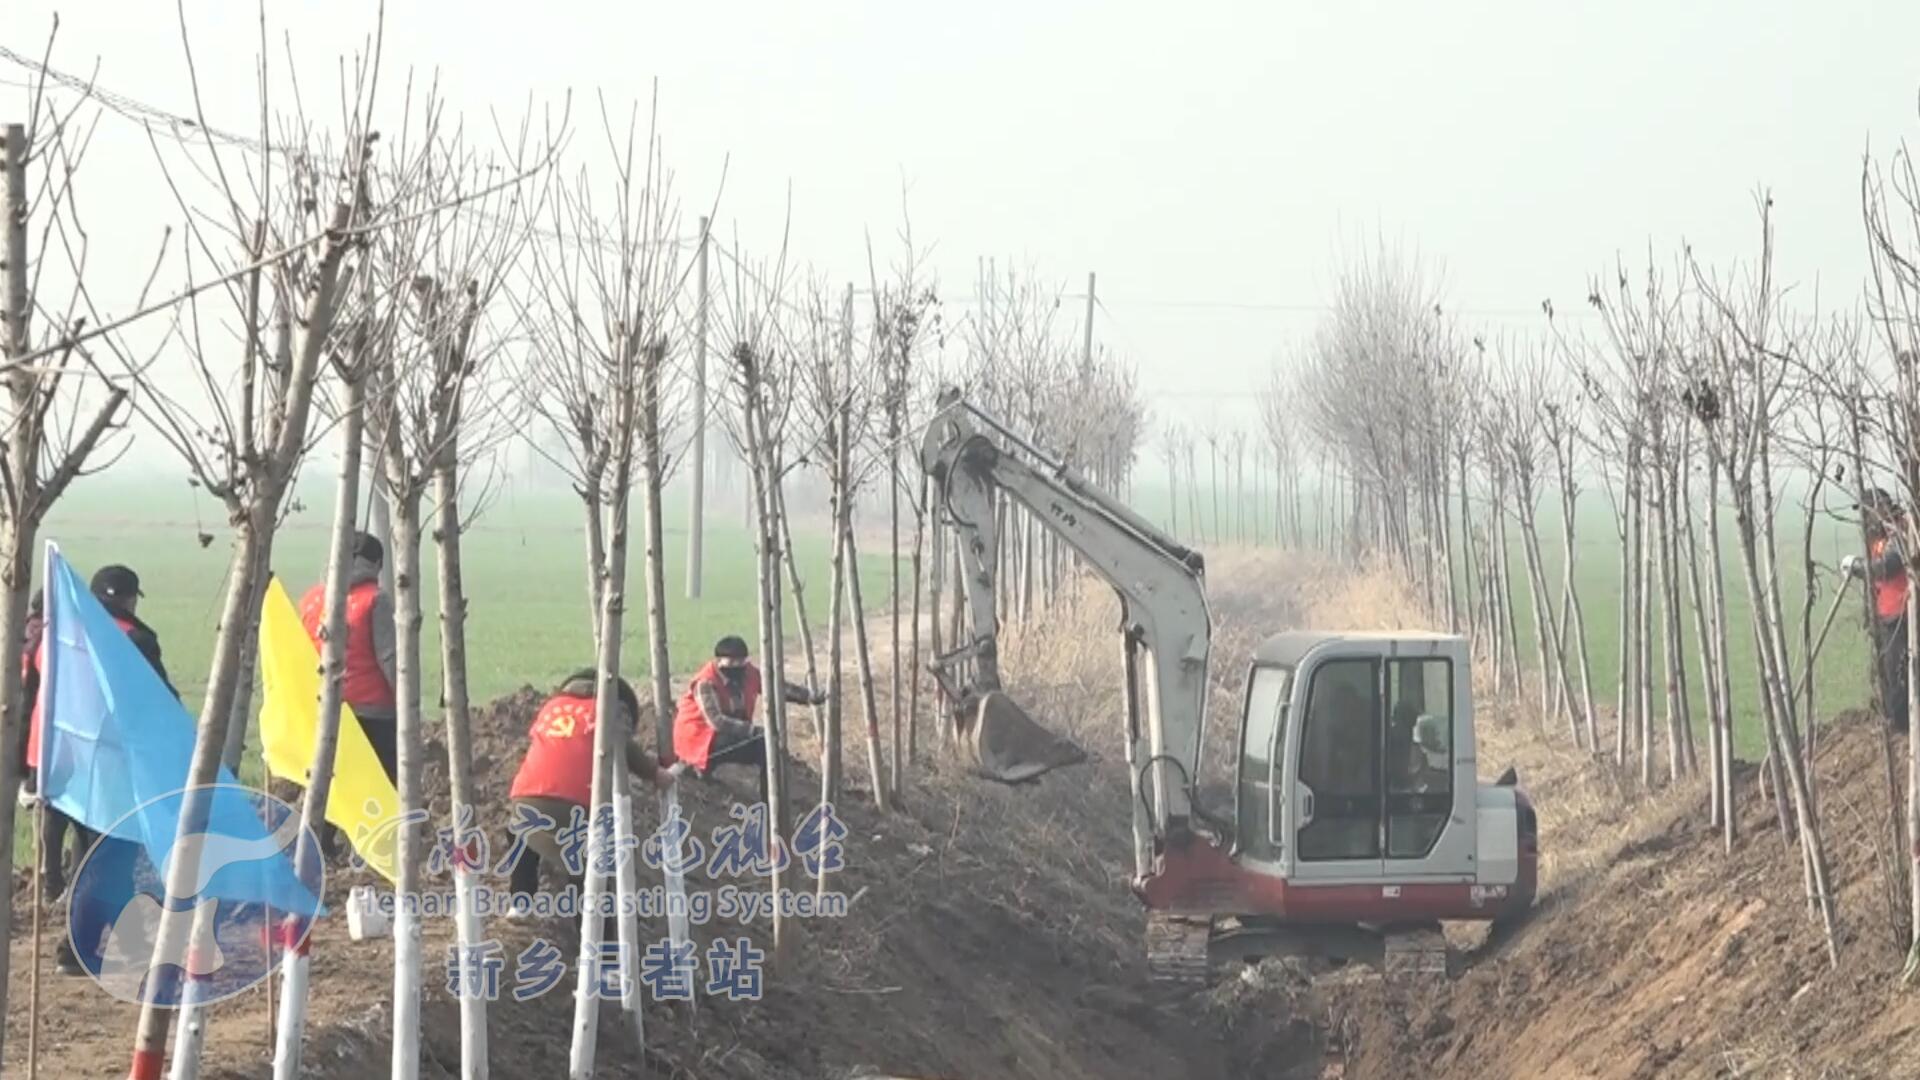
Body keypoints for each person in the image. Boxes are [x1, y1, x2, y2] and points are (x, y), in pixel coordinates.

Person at [31, 566, 176, 975]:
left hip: (59, 763)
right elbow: (158, 704)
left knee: (94, 856)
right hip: (111, 767)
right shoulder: (135, 641)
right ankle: (86, 949)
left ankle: (101, 944)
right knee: (112, 855)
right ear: (129, 600)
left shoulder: (57, 636)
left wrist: (29, 769)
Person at [505, 669, 673, 917]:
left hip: (525, 794)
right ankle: (596, 943)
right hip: (576, 802)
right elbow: (624, 746)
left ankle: (520, 902)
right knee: (590, 872)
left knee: (520, 833)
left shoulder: (552, 707)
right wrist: (656, 774)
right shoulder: (609, 709)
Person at [672, 635, 823, 803]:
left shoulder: (748, 673)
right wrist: (753, 731)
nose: (737, 667)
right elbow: (716, 721)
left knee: (770, 748)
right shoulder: (705, 682)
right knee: (764, 742)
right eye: (732, 663)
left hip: (726, 732)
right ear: (719, 661)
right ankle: (700, 770)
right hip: (699, 738)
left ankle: (772, 801)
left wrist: (808, 697)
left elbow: (776, 687)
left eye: (741, 662)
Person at [300, 533, 398, 783]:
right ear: (376, 565)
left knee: (333, 793)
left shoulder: (312, 599)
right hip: (373, 717)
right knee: (378, 792)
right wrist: (410, 710)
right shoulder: (376, 600)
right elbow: (391, 662)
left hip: (322, 712)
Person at [1847, 489, 1909, 734]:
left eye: (1868, 511)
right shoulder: (1876, 538)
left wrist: (1859, 568)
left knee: (1900, 675)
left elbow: (1889, 567)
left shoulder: (1900, 531)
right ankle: (1894, 722)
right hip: (1886, 616)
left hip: (1902, 615)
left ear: (1882, 508)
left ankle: (1904, 728)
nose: (1865, 518)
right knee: (1887, 674)